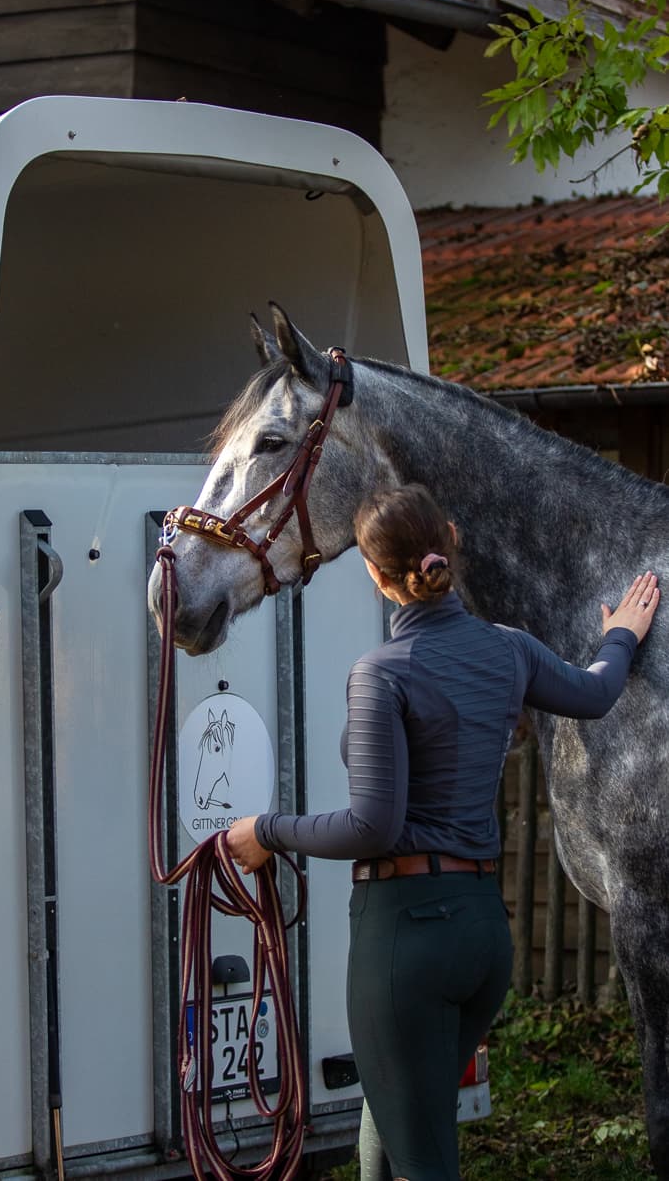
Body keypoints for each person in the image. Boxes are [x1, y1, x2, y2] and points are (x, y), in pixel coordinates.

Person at [226, 483, 659, 1181]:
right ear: (449, 539)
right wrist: (621, 636)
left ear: (374, 574)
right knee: (393, 1123)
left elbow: (372, 825)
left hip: (405, 945)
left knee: (420, 1158)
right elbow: (594, 692)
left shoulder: (382, 673)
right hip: (482, 939)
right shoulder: (508, 649)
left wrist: (266, 831)